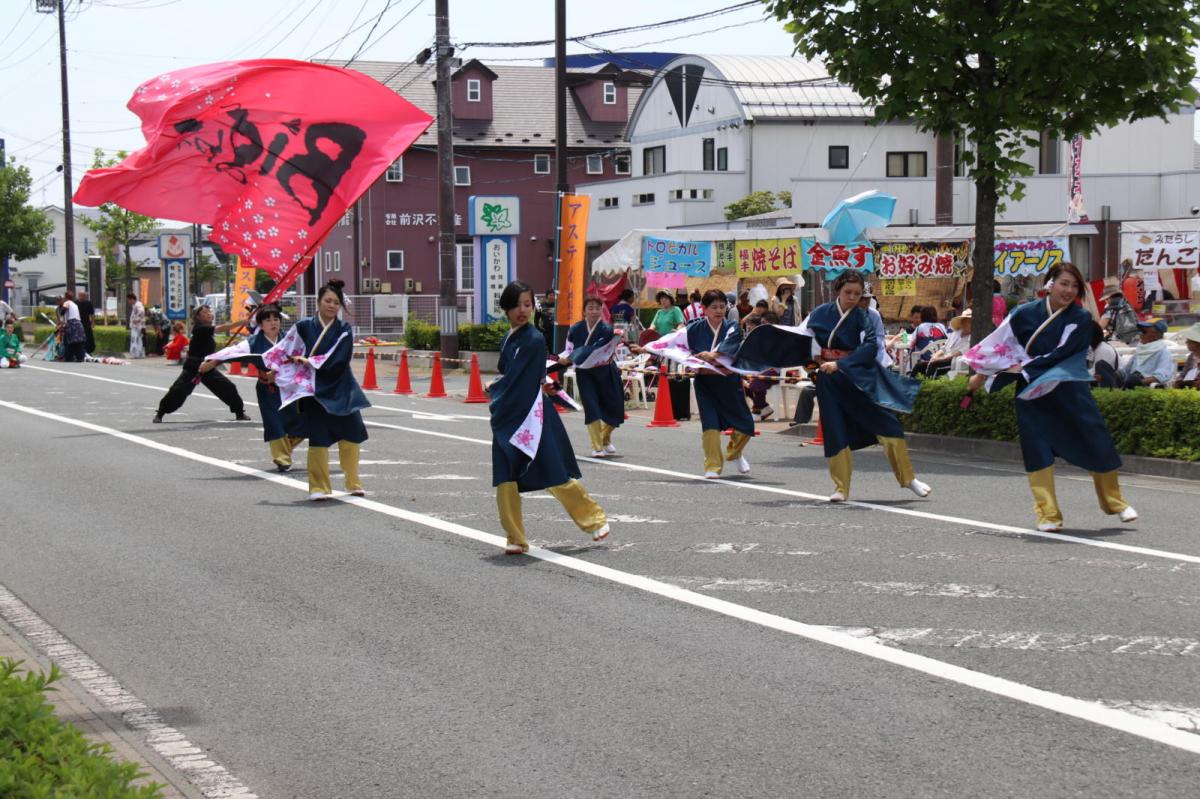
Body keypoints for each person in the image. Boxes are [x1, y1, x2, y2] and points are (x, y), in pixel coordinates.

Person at [965, 263, 1137, 532]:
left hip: (1068, 387)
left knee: (1096, 439)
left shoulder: (1080, 318)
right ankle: (1048, 514)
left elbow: (1066, 352)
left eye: (1074, 286)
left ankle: (1113, 502)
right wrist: (981, 373)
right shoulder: (1023, 313)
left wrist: (1025, 367)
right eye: (1063, 283)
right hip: (1031, 392)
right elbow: (1000, 344)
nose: (1068, 290)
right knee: (1036, 449)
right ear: (1050, 284)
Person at [490, 280, 609, 555]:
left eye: (528, 305)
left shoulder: (533, 339)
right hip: (509, 414)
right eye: (518, 305)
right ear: (506, 308)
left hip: (532, 415)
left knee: (552, 471)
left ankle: (594, 519)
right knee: (505, 479)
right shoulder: (508, 339)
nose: (523, 310)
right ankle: (515, 537)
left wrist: (495, 388)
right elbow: (512, 375)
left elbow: (517, 378)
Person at [799, 270, 931, 502]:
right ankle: (841, 488)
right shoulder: (819, 314)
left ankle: (908, 478)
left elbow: (871, 347)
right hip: (829, 382)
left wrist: (840, 364)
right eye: (848, 292)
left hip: (859, 378)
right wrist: (813, 366)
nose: (852, 297)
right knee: (835, 431)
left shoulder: (863, 316)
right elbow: (802, 341)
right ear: (838, 290)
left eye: (857, 293)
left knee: (889, 425)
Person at [290, 279, 370, 501]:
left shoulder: (344, 329)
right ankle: (318, 487)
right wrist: (277, 369)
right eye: (328, 300)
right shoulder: (303, 327)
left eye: (336, 302)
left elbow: (340, 359)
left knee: (352, 435)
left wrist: (310, 362)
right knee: (319, 438)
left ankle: (353, 481)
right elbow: (287, 349)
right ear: (318, 302)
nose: (332, 305)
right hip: (315, 390)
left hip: (342, 387)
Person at [667, 289, 756, 479]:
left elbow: (732, 344)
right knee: (710, 425)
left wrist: (713, 355)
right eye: (714, 307)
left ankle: (735, 452)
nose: (719, 310)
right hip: (705, 383)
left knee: (746, 425)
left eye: (722, 306)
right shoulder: (694, 328)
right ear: (704, 309)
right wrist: (646, 347)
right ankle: (713, 466)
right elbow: (671, 341)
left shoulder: (733, 327)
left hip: (729, 382)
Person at [153, 304, 251, 424]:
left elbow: (211, 352)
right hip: (193, 367)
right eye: (205, 312)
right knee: (178, 391)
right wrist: (240, 322)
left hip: (207, 367)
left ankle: (239, 413)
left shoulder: (207, 330)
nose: (209, 313)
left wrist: (228, 348)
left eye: (209, 312)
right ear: (198, 317)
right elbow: (220, 328)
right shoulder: (199, 328)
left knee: (228, 387)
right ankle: (160, 413)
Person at [560, 295, 625, 457]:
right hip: (585, 373)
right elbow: (569, 350)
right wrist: (564, 358)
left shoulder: (607, 329)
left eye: (597, 308)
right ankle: (597, 447)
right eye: (590, 308)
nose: (594, 311)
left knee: (616, 409)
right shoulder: (575, 329)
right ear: (584, 312)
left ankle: (605, 438)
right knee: (592, 408)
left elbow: (601, 349)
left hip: (606, 371)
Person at [248, 304, 307, 472]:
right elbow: (239, 354)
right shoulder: (253, 341)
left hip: (289, 387)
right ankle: (282, 458)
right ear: (260, 325)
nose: (273, 323)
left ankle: (286, 448)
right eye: (268, 320)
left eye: (276, 319)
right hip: (268, 389)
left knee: (299, 419)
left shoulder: (288, 339)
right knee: (274, 422)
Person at [1095, 318, 1174, 389]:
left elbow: (1161, 376)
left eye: (1144, 332)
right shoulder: (1140, 349)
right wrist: (1111, 375)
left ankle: (1114, 391)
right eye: (1140, 331)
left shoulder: (1163, 352)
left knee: (1133, 379)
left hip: (1144, 385)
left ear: (1157, 335)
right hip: (1129, 381)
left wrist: (1139, 382)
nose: (1140, 334)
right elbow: (1125, 371)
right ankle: (1113, 390)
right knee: (1101, 365)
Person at [913, 309, 972, 378]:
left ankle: (927, 386)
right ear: (961, 323)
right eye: (966, 322)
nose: (967, 325)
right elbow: (943, 348)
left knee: (934, 365)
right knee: (919, 365)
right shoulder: (955, 334)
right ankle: (910, 385)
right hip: (944, 359)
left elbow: (955, 354)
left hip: (955, 363)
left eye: (970, 322)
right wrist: (935, 356)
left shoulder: (972, 338)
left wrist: (940, 359)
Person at [742, 313, 779, 420]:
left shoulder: (779, 336)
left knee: (756, 380)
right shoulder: (763, 336)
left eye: (763, 323)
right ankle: (764, 407)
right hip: (762, 368)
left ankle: (757, 410)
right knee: (740, 380)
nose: (761, 326)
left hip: (776, 369)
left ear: (771, 324)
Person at [58, 291, 87, 362]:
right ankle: (80, 357)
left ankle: (69, 357)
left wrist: (61, 323)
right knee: (78, 341)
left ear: (65, 297)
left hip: (72, 324)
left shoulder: (67, 303)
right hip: (79, 324)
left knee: (68, 341)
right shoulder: (75, 305)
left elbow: (62, 312)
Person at [1173, 323, 1200, 389]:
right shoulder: (1192, 356)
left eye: (1189, 340)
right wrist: (1179, 381)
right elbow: (1183, 374)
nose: (1186, 342)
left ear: (1197, 342)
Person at [76, 290, 96, 356]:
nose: (82, 297)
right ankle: (78, 351)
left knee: (87, 337)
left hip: (86, 323)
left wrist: (93, 323)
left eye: (83, 296)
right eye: (81, 295)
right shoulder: (75, 303)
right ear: (78, 296)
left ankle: (87, 351)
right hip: (78, 323)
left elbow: (92, 314)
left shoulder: (88, 303)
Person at [127, 293, 146, 358]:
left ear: (132, 299)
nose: (128, 302)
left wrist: (136, 320)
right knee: (138, 340)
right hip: (136, 326)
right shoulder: (136, 305)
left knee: (135, 340)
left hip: (137, 326)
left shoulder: (138, 305)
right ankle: (138, 354)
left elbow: (142, 312)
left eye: (129, 300)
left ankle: (135, 354)